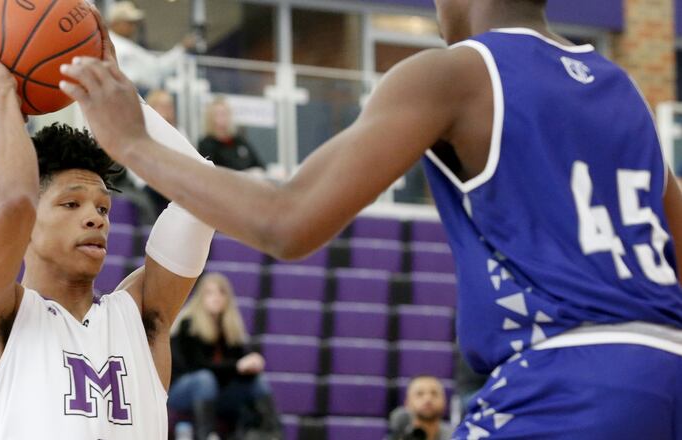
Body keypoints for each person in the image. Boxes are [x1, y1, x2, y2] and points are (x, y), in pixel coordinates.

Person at [61, 0, 682, 437]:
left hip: (565, 381)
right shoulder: (621, 89)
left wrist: (133, 141)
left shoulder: (456, 72)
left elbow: (286, 221)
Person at [0, 12, 215, 439]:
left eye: (104, 209)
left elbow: (204, 196)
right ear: (30, 226)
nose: (95, 218)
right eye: (71, 203)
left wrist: (124, 101)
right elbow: (13, 206)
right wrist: (4, 99)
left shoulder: (141, 316)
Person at [169, 273, 281, 440]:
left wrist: (252, 362)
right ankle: (208, 434)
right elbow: (195, 366)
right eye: (210, 293)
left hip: (217, 393)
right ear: (200, 297)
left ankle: (272, 433)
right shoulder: (188, 325)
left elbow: (239, 361)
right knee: (204, 379)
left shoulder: (230, 329)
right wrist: (237, 366)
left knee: (258, 381)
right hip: (182, 391)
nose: (216, 298)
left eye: (221, 292)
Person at [107, 1, 194, 94]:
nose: (133, 27)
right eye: (129, 23)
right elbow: (157, 68)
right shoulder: (113, 44)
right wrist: (181, 48)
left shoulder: (125, 44)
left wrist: (181, 48)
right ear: (115, 23)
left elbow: (157, 66)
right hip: (127, 93)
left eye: (135, 23)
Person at [198, 97, 265, 172]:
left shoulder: (239, 141)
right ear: (210, 117)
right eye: (217, 114)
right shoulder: (206, 145)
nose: (221, 118)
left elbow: (259, 165)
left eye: (224, 113)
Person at [388, 376, 453, 440]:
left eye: (434, 393)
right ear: (407, 403)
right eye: (420, 394)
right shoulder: (398, 436)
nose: (428, 399)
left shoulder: (455, 436)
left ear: (444, 402)